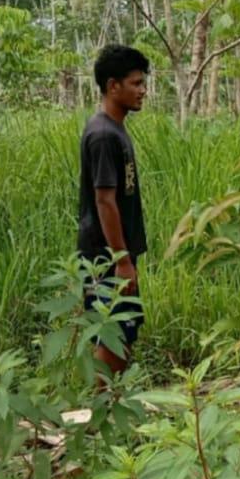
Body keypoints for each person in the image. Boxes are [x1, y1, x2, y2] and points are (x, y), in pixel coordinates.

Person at [77, 43, 149, 379]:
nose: (143, 91)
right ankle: (101, 413)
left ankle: (111, 406)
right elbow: (104, 200)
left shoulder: (115, 129)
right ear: (112, 85)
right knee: (112, 333)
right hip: (105, 258)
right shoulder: (104, 134)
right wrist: (120, 260)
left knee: (124, 332)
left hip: (117, 254)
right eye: (136, 83)